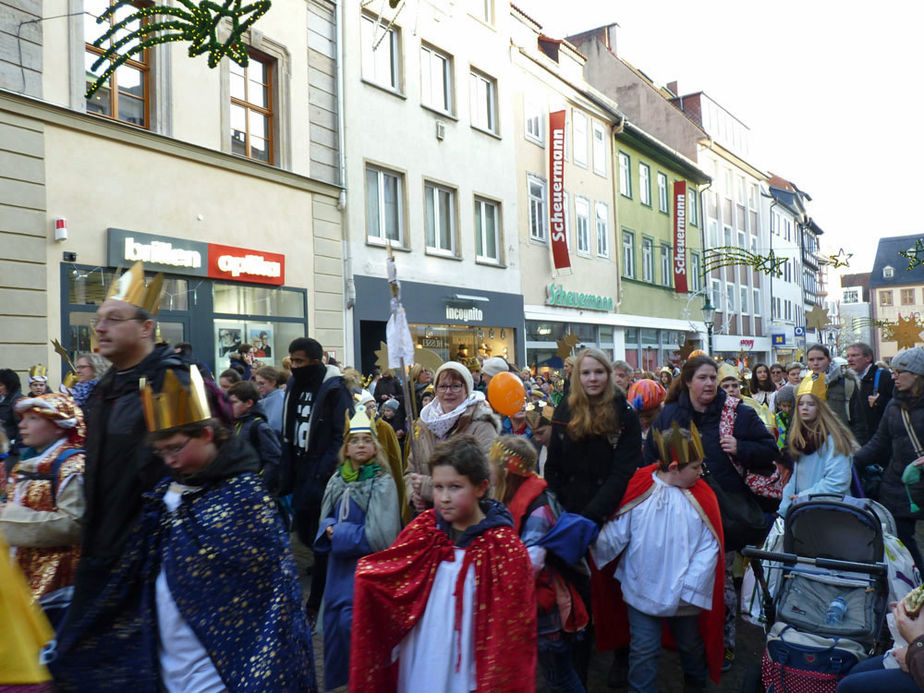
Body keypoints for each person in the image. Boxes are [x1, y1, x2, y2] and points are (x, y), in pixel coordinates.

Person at [51, 366, 316, 691]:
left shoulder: (245, 496)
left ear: (206, 434)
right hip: (168, 652)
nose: (170, 460)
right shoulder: (166, 492)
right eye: (161, 452)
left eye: (176, 448)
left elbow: (268, 595)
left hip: (222, 662)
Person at [349, 434, 537, 692]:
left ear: (481, 487)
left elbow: (512, 629)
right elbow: (392, 574)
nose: (445, 497)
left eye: (455, 487)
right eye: (438, 487)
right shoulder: (424, 530)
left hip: (470, 661)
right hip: (423, 652)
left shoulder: (503, 548)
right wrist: (368, 579)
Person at [64, 261, 193, 626]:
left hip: (151, 561)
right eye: (98, 320)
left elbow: (193, 472)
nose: (100, 328)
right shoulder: (106, 387)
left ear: (146, 327)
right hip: (102, 549)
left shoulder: (170, 382)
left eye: (114, 319)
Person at [646, 354, 777, 672]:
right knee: (684, 578)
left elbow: (771, 451)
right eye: (702, 378)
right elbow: (650, 460)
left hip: (723, 512)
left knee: (719, 582)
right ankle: (688, 642)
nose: (709, 384)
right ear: (688, 381)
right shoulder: (670, 417)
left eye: (712, 378)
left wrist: (741, 448)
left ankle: (724, 644)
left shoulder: (738, 413)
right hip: (679, 511)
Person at [593, 423, 724, 692]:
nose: (701, 472)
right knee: (643, 651)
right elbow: (617, 531)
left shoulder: (703, 496)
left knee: (690, 646)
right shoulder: (641, 487)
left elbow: (709, 548)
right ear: (674, 466)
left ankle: (695, 685)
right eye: (696, 467)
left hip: (684, 595)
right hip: (642, 587)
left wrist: (689, 587)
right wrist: (593, 546)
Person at [490, 435, 595, 693]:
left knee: (559, 677)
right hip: (534, 607)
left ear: (506, 471)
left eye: (492, 465)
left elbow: (530, 563)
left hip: (547, 613)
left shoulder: (538, 510)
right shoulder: (511, 498)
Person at [314, 404, 401, 691]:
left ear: (375, 447)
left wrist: (337, 533)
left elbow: (380, 537)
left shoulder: (382, 482)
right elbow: (325, 516)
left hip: (365, 576)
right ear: (346, 449)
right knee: (336, 632)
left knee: (359, 634)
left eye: (366, 441)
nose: (361, 446)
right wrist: (327, 526)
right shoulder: (338, 479)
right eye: (355, 441)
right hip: (337, 575)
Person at [281, 336, 353, 624]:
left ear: (316, 360)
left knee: (321, 538)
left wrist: (324, 469)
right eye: (292, 361)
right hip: (298, 470)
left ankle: (317, 602)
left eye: (299, 361)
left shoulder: (335, 389)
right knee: (305, 533)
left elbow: (340, 433)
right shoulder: (294, 384)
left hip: (323, 475)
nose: (294, 366)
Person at [1, 393, 85, 627]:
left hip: (55, 579)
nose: (22, 425)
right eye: (22, 418)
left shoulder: (72, 465)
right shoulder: (27, 462)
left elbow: (74, 525)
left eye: (33, 419)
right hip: (22, 572)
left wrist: (7, 520)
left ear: (59, 426)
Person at [855, 347, 924, 572]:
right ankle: (917, 587)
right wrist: (852, 461)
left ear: (916, 374)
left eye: (898, 372)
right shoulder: (894, 406)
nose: (893, 377)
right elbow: (879, 442)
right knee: (902, 543)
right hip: (899, 486)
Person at [405, 361, 500, 514]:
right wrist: (413, 494)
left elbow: (489, 478)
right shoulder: (424, 424)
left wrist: (428, 487)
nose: (448, 392)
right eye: (443, 386)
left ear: (467, 390)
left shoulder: (482, 425)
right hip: (430, 519)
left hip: (467, 519)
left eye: (456, 386)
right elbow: (410, 472)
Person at [777, 373, 856, 517]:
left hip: (829, 512)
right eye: (801, 404)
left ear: (820, 407)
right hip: (804, 511)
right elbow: (796, 477)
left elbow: (838, 481)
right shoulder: (799, 438)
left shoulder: (833, 439)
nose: (804, 408)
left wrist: (805, 496)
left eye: (811, 404)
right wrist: (785, 506)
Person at [227, 380, 283, 496]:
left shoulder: (259, 427)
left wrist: (258, 483)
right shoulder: (236, 424)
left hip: (254, 489)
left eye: (234, 403)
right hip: (238, 487)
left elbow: (274, 460)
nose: (230, 407)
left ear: (249, 403)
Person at [807, 344, 866, 444]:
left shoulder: (846, 383)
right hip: (813, 443)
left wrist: (858, 447)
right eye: (811, 360)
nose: (815, 363)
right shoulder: (805, 385)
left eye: (820, 359)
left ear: (829, 360)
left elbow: (859, 420)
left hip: (841, 442)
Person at [847, 342, 894, 445]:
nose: (849, 359)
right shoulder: (853, 380)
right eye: (848, 356)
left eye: (854, 355)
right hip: (863, 442)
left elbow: (899, 405)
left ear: (868, 358)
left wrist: (879, 402)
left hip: (882, 444)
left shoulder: (883, 376)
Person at [0, 368, 25, 473]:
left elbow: (22, 426)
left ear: (9, 386)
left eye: (1, 385)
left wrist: (15, 449)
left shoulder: (17, 401)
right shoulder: (3, 399)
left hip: (13, 452)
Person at [253, 365, 285, 433]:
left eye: (262, 383)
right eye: (257, 383)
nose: (258, 387)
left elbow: (274, 426)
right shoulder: (267, 398)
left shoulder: (279, 400)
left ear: (273, 382)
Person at [774, 384, 795, 451]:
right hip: (780, 448)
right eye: (784, 406)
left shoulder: (796, 418)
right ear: (779, 405)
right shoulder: (777, 417)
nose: (787, 409)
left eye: (789, 406)